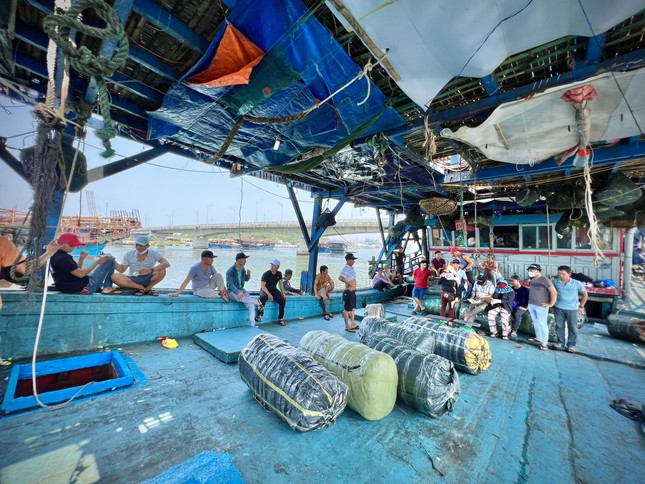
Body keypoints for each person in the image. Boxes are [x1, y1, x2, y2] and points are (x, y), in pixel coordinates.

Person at [49, 233, 117, 294]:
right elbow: (80, 274)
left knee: (89, 274)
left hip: (68, 287)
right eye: (71, 245)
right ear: (61, 244)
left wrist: (81, 259)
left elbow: (76, 272)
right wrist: (97, 262)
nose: (74, 247)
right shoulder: (64, 258)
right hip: (85, 287)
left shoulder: (54, 256)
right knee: (110, 260)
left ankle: (104, 286)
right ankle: (107, 287)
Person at [552, 265, 588, 353]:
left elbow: (585, 294)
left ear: (569, 274)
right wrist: (551, 304)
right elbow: (550, 292)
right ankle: (560, 342)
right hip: (558, 308)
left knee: (572, 327)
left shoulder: (576, 283)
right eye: (559, 273)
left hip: (573, 309)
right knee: (559, 326)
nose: (560, 275)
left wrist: (581, 306)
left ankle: (571, 345)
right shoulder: (555, 282)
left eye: (563, 274)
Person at [226, 252, 263, 327]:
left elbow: (246, 279)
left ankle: (252, 324)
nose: (246, 261)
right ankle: (257, 302)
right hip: (232, 292)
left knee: (251, 304)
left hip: (241, 290)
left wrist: (248, 275)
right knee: (251, 301)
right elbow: (230, 285)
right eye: (244, 259)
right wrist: (238, 292)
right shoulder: (230, 271)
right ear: (239, 260)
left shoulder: (242, 269)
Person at [527, 263, 557, 351]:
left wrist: (551, 303)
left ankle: (544, 343)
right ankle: (539, 337)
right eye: (529, 270)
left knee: (542, 324)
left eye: (532, 270)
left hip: (541, 306)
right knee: (535, 322)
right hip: (532, 304)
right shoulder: (532, 280)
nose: (530, 272)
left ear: (538, 271)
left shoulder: (545, 280)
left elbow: (554, 292)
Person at [259, 259, 287, 326]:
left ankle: (280, 318)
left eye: (274, 265)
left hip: (273, 289)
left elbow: (281, 284)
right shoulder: (266, 274)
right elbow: (262, 286)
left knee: (282, 300)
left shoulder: (279, 274)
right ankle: (260, 315)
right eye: (271, 264)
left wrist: (283, 293)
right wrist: (268, 294)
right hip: (264, 289)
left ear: (278, 267)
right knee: (263, 297)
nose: (272, 266)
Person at [339, 253, 359, 332]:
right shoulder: (346, 268)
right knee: (347, 310)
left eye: (354, 260)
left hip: (352, 291)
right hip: (348, 291)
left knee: (352, 308)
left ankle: (353, 323)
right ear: (348, 260)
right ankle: (347, 326)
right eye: (352, 260)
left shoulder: (351, 268)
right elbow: (340, 278)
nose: (354, 261)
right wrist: (348, 283)